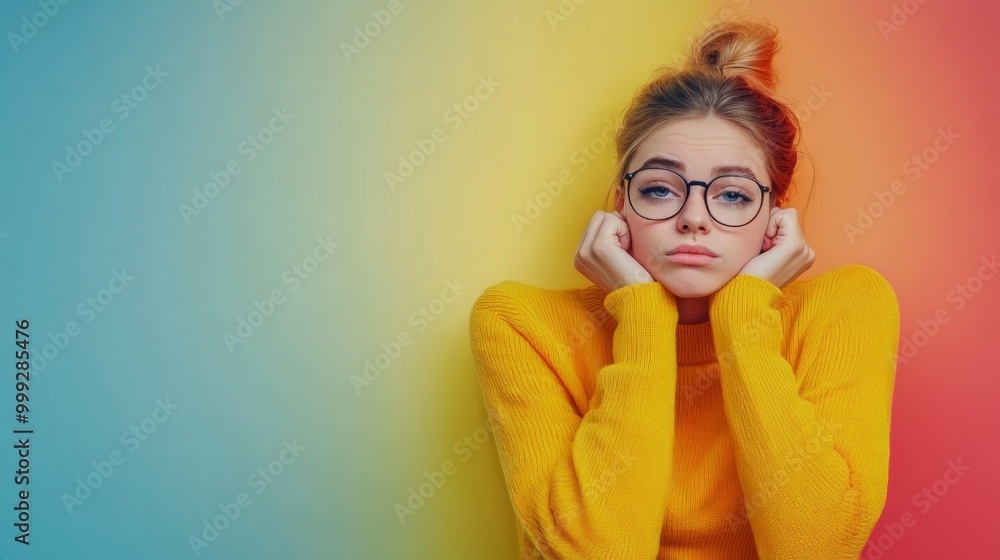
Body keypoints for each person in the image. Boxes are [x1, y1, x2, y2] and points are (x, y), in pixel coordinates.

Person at [468, 15, 901, 560]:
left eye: (734, 196)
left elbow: (817, 548)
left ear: (776, 218)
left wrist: (743, 313)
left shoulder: (845, 308)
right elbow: (595, 552)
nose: (694, 217)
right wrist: (643, 316)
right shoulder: (520, 325)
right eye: (658, 188)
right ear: (621, 203)